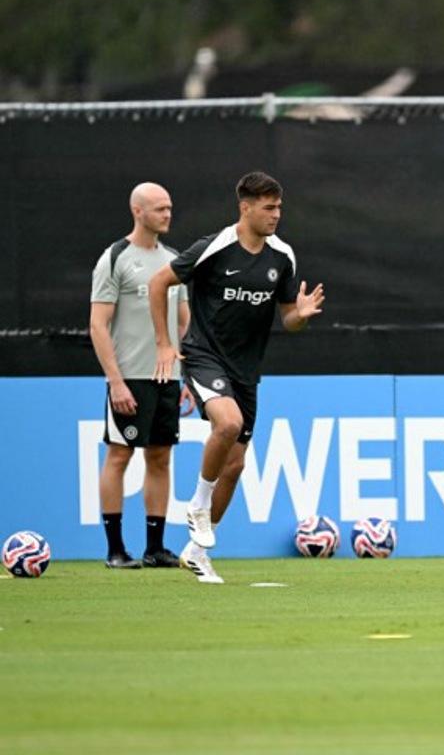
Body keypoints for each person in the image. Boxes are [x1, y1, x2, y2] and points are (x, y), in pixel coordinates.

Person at [148, 171, 324, 584]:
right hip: (205, 356)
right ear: (245, 208)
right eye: (268, 208)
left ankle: (197, 551)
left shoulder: (282, 256)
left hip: (246, 370)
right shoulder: (213, 248)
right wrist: (163, 343)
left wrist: (301, 314)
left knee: (236, 463)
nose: (276, 215)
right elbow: (159, 283)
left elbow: (288, 319)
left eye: (279, 207)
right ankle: (197, 506)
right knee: (228, 423)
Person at [89, 182, 194, 569]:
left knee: (161, 457)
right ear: (138, 211)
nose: (167, 214)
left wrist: (185, 377)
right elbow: (98, 325)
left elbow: (184, 325)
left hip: (167, 378)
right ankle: (115, 549)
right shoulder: (114, 258)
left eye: (169, 208)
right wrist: (115, 381)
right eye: (159, 209)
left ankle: (155, 547)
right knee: (119, 456)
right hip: (129, 377)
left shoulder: (174, 260)